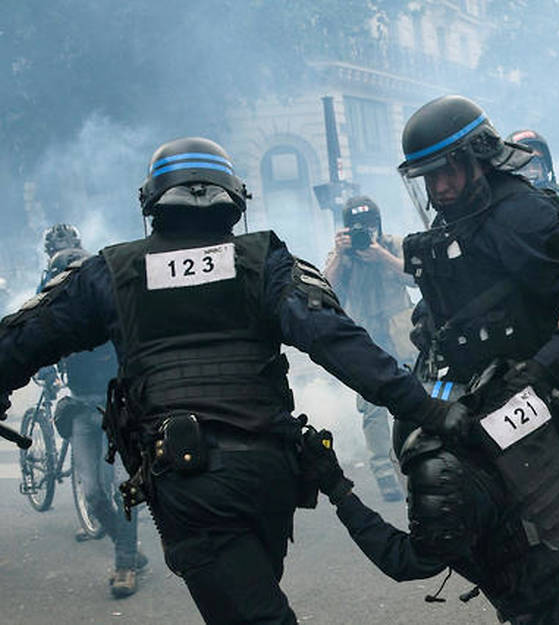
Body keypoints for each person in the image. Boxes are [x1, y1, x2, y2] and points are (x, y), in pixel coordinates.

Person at [0, 137, 461, 624]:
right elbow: (339, 341)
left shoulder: (110, 273)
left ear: (152, 202)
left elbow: (25, 335)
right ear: (234, 201)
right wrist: (428, 408)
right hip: (269, 474)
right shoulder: (265, 262)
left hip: (189, 480)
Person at [309, 95, 559, 625]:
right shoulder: (452, 225)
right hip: (480, 393)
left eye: (449, 170)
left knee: (550, 524)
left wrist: (541, 371)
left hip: (536, 395)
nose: (439, 187)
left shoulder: (522, 214)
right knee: (485, 519)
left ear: (480, 156)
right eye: (428, 177)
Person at [41, 245, 146, 598]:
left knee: (122, 488)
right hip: (82, 411)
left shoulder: (113, 310)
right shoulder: (56, 317)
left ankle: (125, 564)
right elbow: (35, 347)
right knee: (92, 493)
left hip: (117, 409)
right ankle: (127, 547)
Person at [323, 195, 412, 501]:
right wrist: (339, 254)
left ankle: (415, 460)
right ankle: (385, 473)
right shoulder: (343, 255)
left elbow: (415, 276)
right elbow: (325, 291)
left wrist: (380, 256)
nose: (366, 231)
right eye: (358, 227)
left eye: (370, 224)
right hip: (366, 338)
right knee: (373, 408)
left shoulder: (392, 245)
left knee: (413, 398)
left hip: (402, 336)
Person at [508, 128, 559, 230]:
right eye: (524, 166)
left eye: (536, 164)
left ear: (546, 168)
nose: (531, 171)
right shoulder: (501, 203)